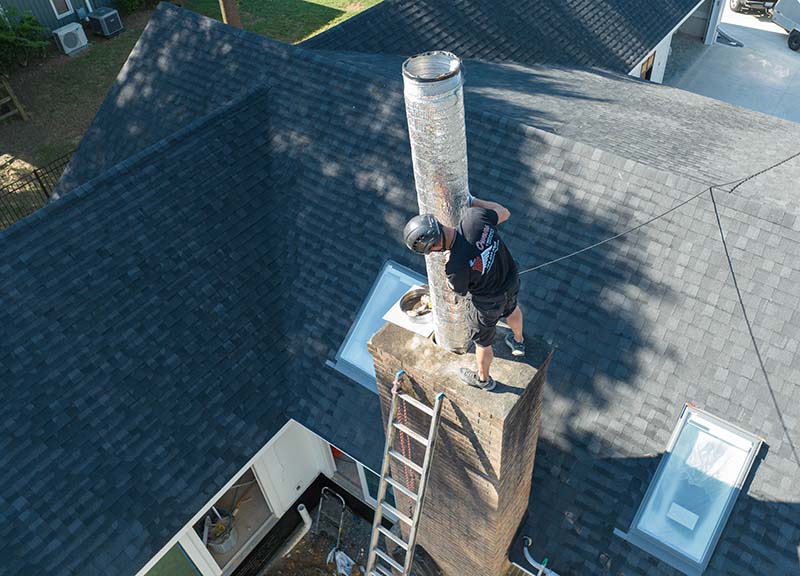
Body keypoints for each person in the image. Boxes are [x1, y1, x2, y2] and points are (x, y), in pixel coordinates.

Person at [403, 196, 524, 391]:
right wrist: (474, 201)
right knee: (512, 310)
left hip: (488, 303)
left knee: (483, 343)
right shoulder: (474, 218)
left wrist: (449, 261)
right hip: (511, 281)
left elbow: (458, 291)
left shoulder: (455, 266)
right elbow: (504, 212)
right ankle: (518, 341)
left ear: (434, 246)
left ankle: (484, 380)